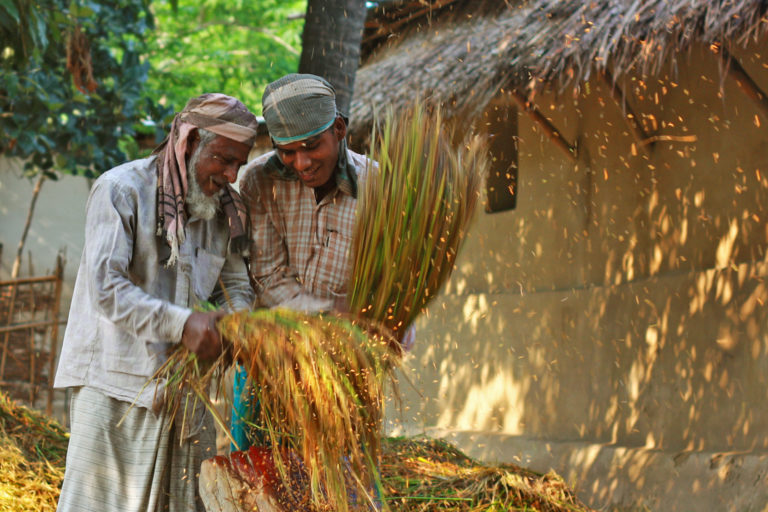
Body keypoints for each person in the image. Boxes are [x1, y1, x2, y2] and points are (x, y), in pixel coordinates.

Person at [54, 93, 258, 512]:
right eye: (223, 159)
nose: (231, 175)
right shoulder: (121, 189)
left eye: (240, 163)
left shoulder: (225, 211)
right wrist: (183, 324)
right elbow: (106, 288)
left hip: (186, 395)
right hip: (116, 387)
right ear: (191, 141)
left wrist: (239, 320)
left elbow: (234, 282)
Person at [231, 73, 372, 450]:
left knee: (342, 489)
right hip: (270, 361)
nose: (302, 162)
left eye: (312, 146)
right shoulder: (258, 182)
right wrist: (330, 314)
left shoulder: (379, 188)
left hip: (343, 370)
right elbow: (267, 276)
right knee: (253, 484)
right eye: (287, 151)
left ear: (339, 129)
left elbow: (390, 284)